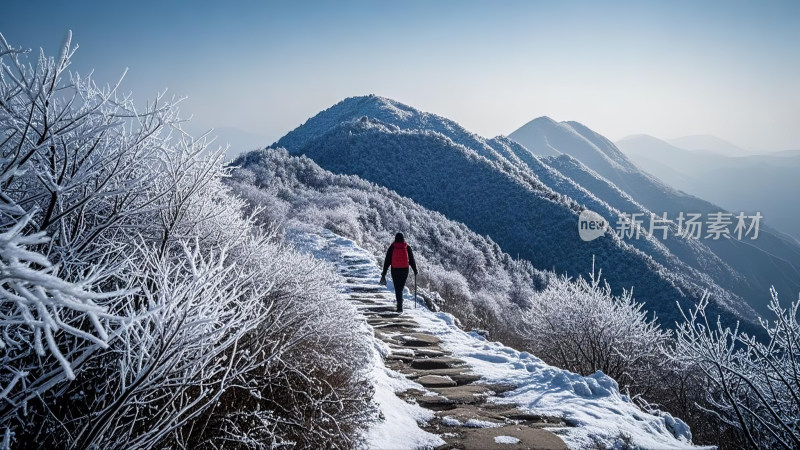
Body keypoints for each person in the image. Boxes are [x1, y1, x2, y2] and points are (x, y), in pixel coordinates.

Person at [380, 232, 418, 313]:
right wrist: (415, 270)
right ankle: (400, 304)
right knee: (400, 288)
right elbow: (411, 260)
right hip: (405, 270)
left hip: (395, 270)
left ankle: (400, 306)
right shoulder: (407, 247)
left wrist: (384, 272)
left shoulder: (392, 247)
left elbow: (387, 261)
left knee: (398, 289)